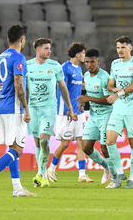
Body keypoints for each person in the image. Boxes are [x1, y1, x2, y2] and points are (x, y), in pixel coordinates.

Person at [0, 24, 36, 197]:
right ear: (22, 40)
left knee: (12, 147)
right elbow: (18, 84)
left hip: (2, 106)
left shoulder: (0, 58)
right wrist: (26, 108)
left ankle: (17, 188)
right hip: (14, 108)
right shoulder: (19, 57)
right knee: (18, 150)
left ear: (8, 39)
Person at [27, 38, 75, 188]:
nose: (50, 51)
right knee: (37, 142)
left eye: (50, 48)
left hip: (49, 108)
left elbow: (63, 87)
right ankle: (41, 174)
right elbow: (19, 86)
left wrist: (70, 107)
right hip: (33, 108)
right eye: (47, 48)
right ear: (38, 50)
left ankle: (42, 173)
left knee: (44, 140)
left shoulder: (55, 66)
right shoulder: (27, 66)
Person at [47, 42, 93, 183]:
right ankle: (51, 169)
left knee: (81, 142)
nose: (84, 57)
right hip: (65, 112)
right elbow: (62, 88)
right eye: (84, 54)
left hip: (78, 111)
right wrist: (69, 109)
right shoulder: (64, 68)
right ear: (77, 54)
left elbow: (78, 86)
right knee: (65, 143)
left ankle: (82, 174)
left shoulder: (79, 69)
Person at [106, 36, 133, 188]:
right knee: (109, 141)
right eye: (118, 47)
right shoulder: (114, 64)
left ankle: (132, 179)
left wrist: (118, 94)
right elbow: (110, 84)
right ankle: (120, 172)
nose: (120, 50)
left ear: (130, 48)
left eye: (123, 47)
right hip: (118, 110)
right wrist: (112, 89)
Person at [77, 49, 115, 188]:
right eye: (87, 62)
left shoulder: (105, 77)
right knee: (86, 147)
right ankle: (106, 167)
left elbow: (109, 99)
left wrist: (89, 99)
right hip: (93, 116)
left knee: (105, 148)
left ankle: (115, 177)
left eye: (92, 62)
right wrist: (83, 101)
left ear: (98, 61)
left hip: (106, 115)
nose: (89, 64)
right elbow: (89, 92)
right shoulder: (86, 75)